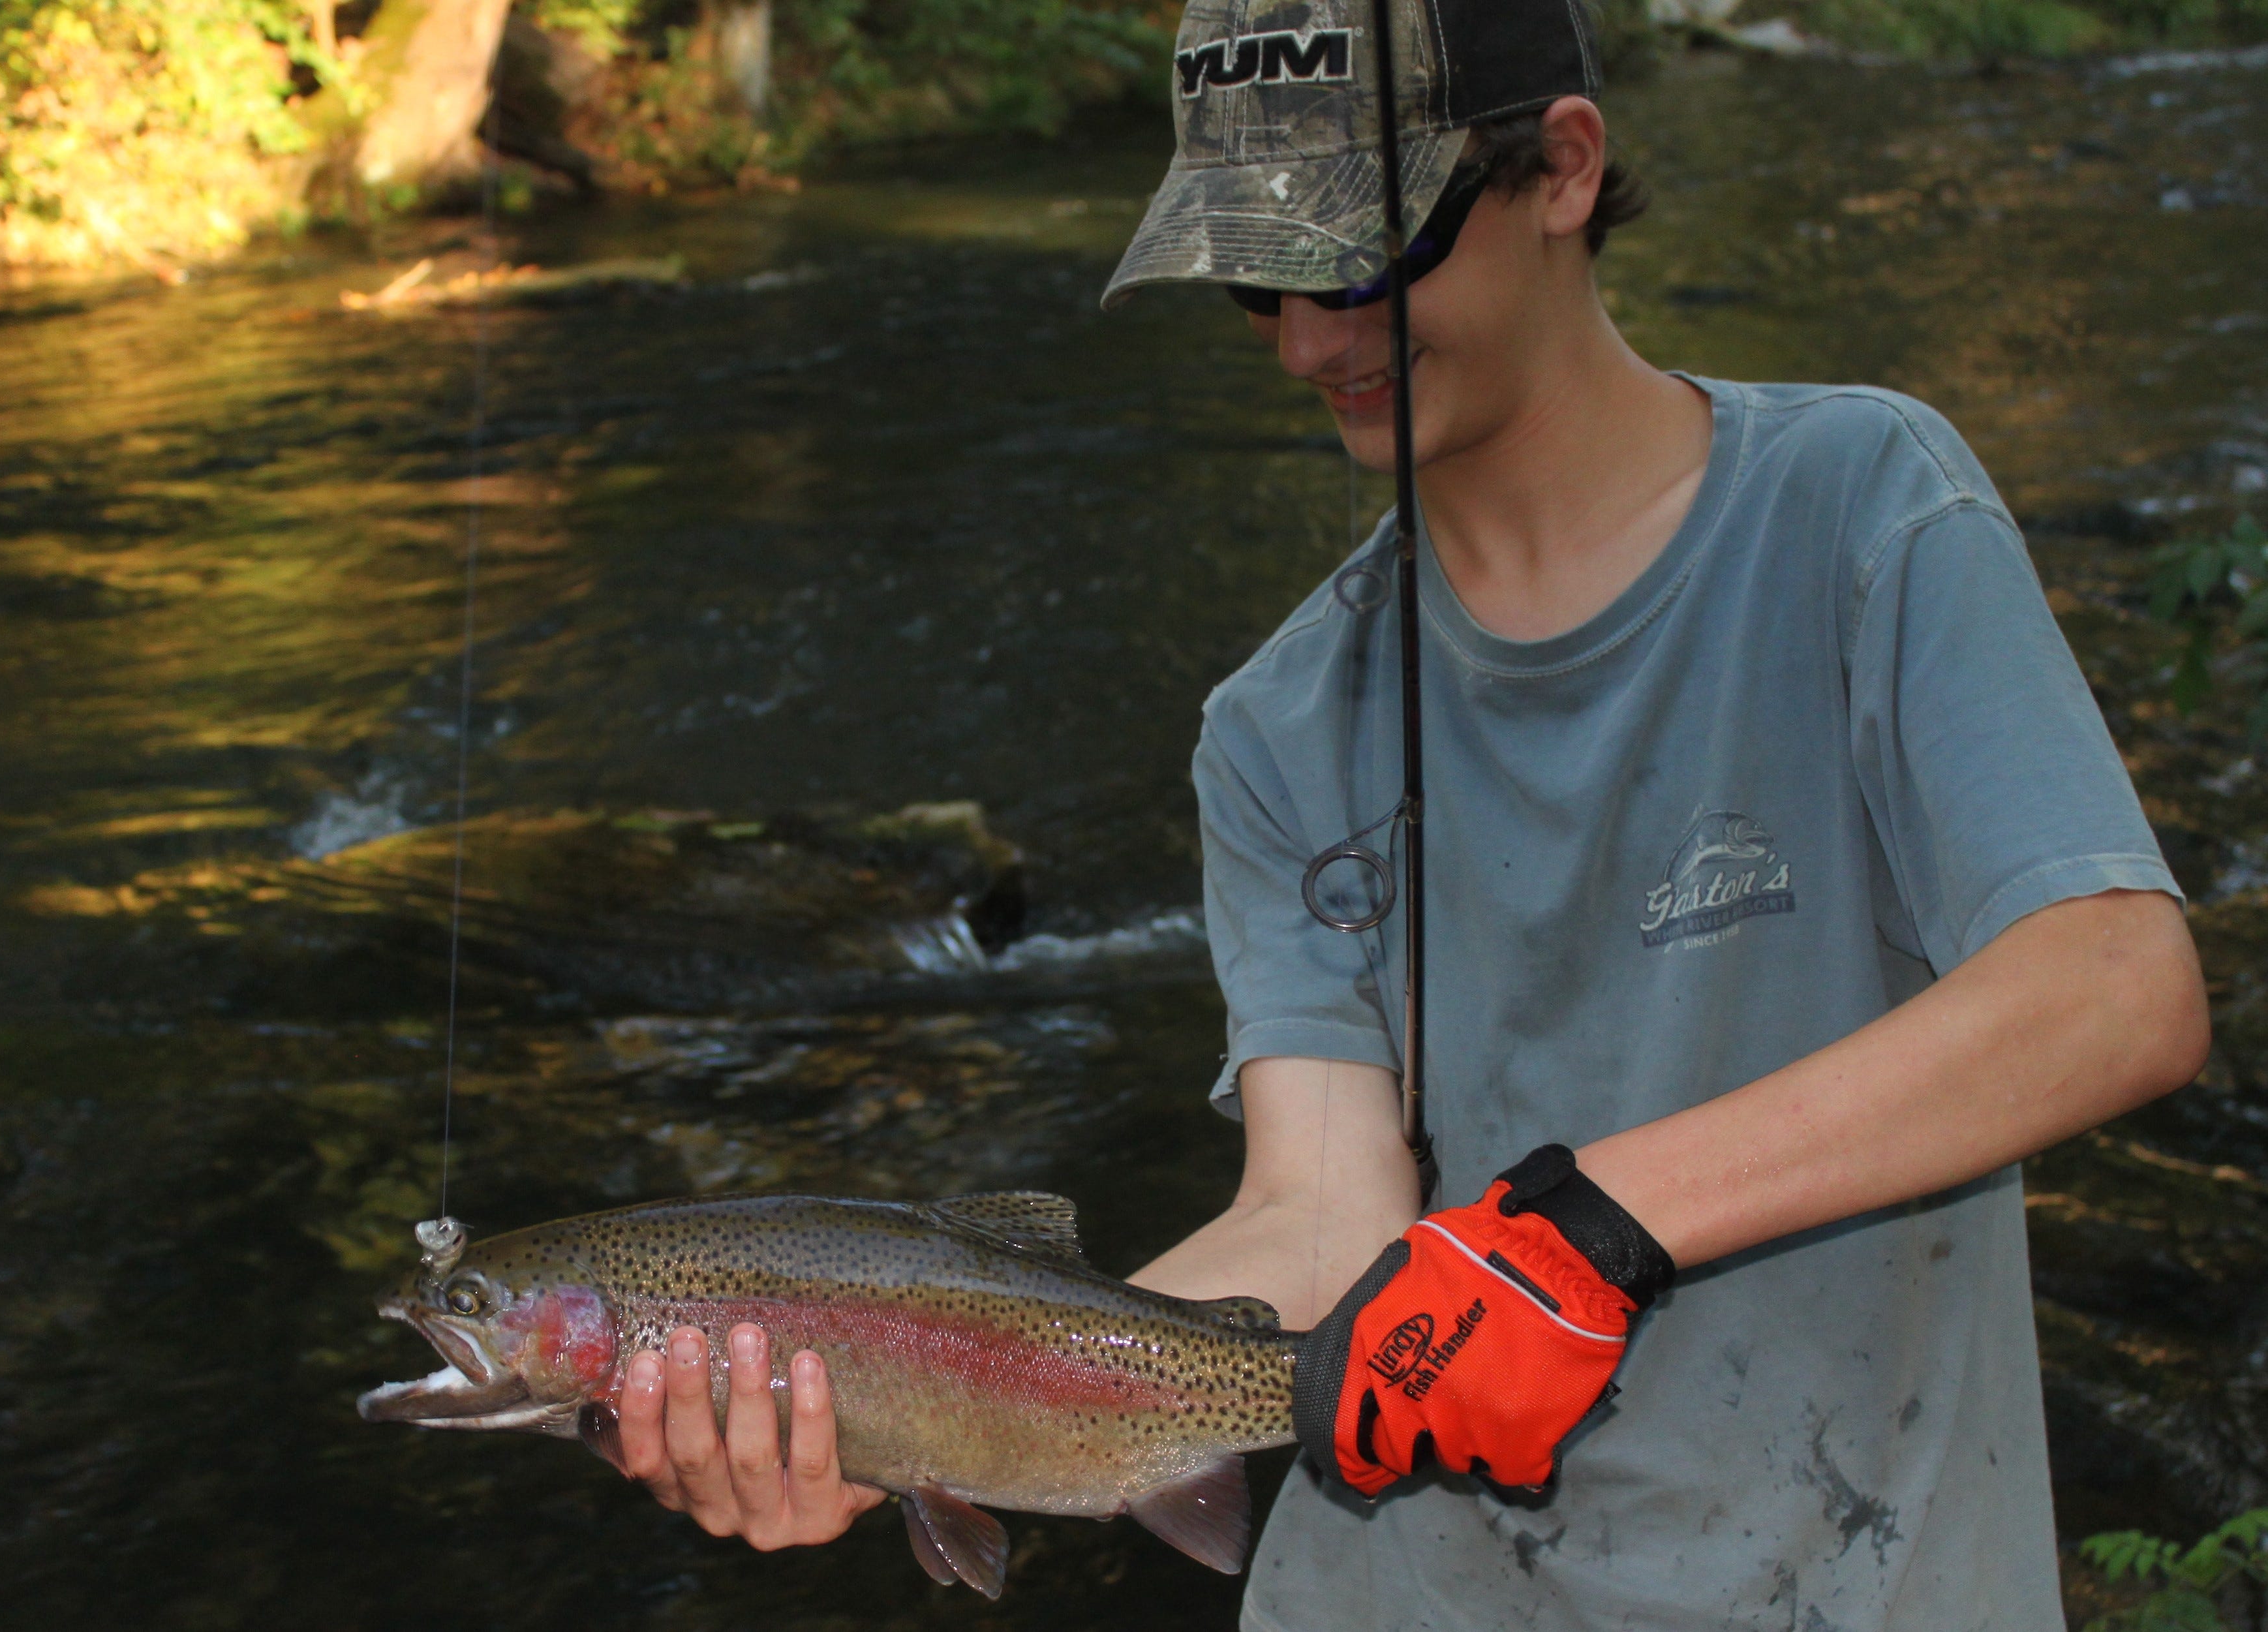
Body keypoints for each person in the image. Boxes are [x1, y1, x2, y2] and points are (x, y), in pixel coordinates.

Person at [599, 0, 2214, 1622]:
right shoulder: (1276, 725)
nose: (1307, 343)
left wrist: (1592, 1225)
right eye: (1256, 278)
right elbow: (1318, 1220)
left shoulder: (1866, 508)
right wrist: (890, 1392)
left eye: (1360, 260)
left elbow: (2113, 987)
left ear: (1564, 170)